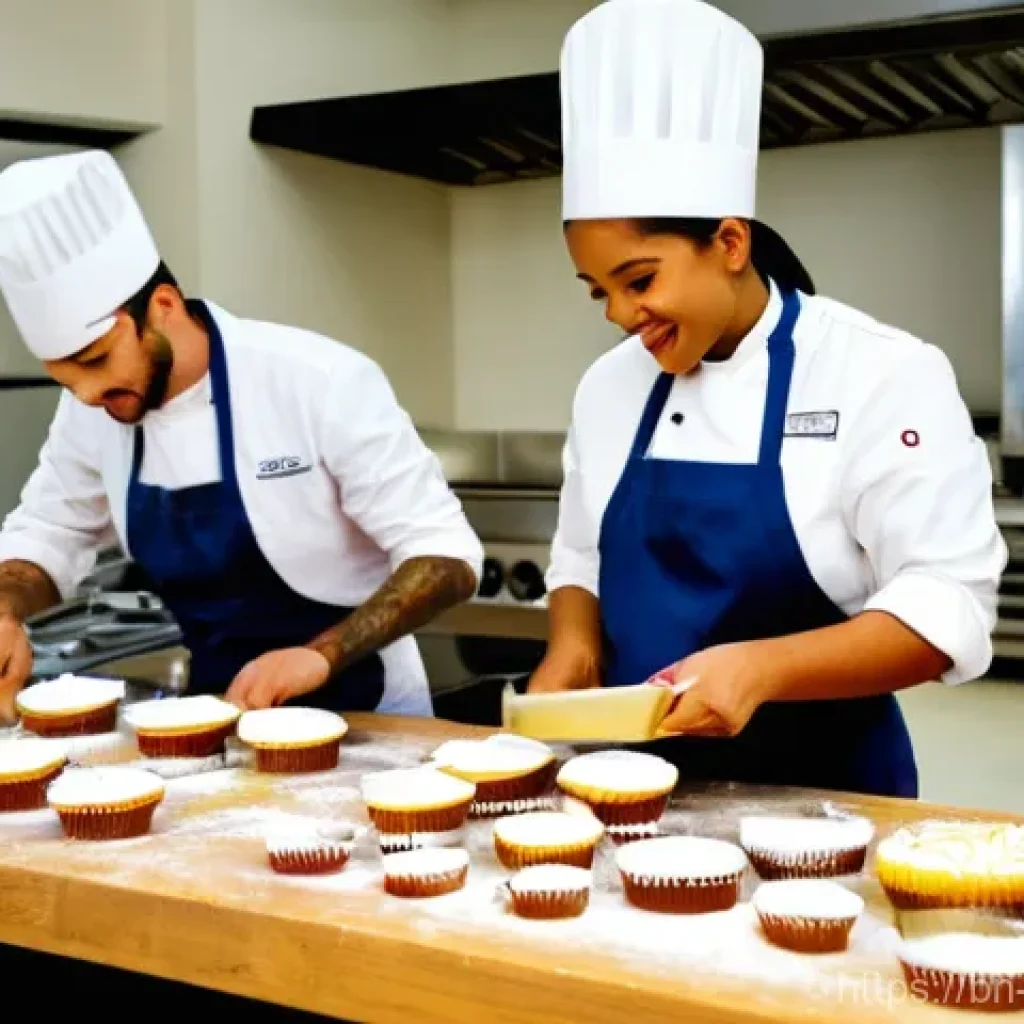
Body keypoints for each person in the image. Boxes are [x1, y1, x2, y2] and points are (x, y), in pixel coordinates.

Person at [528, 0, 1007, 797]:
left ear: (729, 243)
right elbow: (580, 555)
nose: (619, 315)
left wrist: (761, 669)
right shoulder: (607, 386)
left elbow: (948, 603)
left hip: (827, 802)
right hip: (636, 790)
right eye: (597, 291)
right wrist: (571, 650)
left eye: (639, 280)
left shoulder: (879, 372)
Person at [0, 150, 483, 721]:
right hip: (221, 715)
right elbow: (50, 531)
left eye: (96, 360)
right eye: (66, 377)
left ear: (163, 306)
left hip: (368, 715)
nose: (84, 393)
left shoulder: (318, 380)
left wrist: (322, 654)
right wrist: (6, 609)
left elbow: (446, 555)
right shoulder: (95, 407)